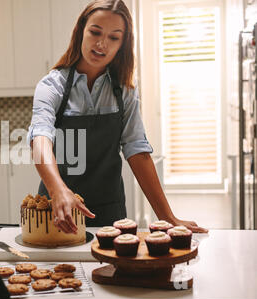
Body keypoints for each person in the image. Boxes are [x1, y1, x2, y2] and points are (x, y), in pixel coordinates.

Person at [27, 0, 208, 234]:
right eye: (95, 32)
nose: (102, 44)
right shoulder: (52, 85)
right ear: (81, 31)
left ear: (123, 44)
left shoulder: (124, 91)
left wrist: (167, 216)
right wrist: (58, 190)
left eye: (114, 37)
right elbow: (40, 137)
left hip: (109, 212)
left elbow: (137, 151)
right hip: (57, 212)